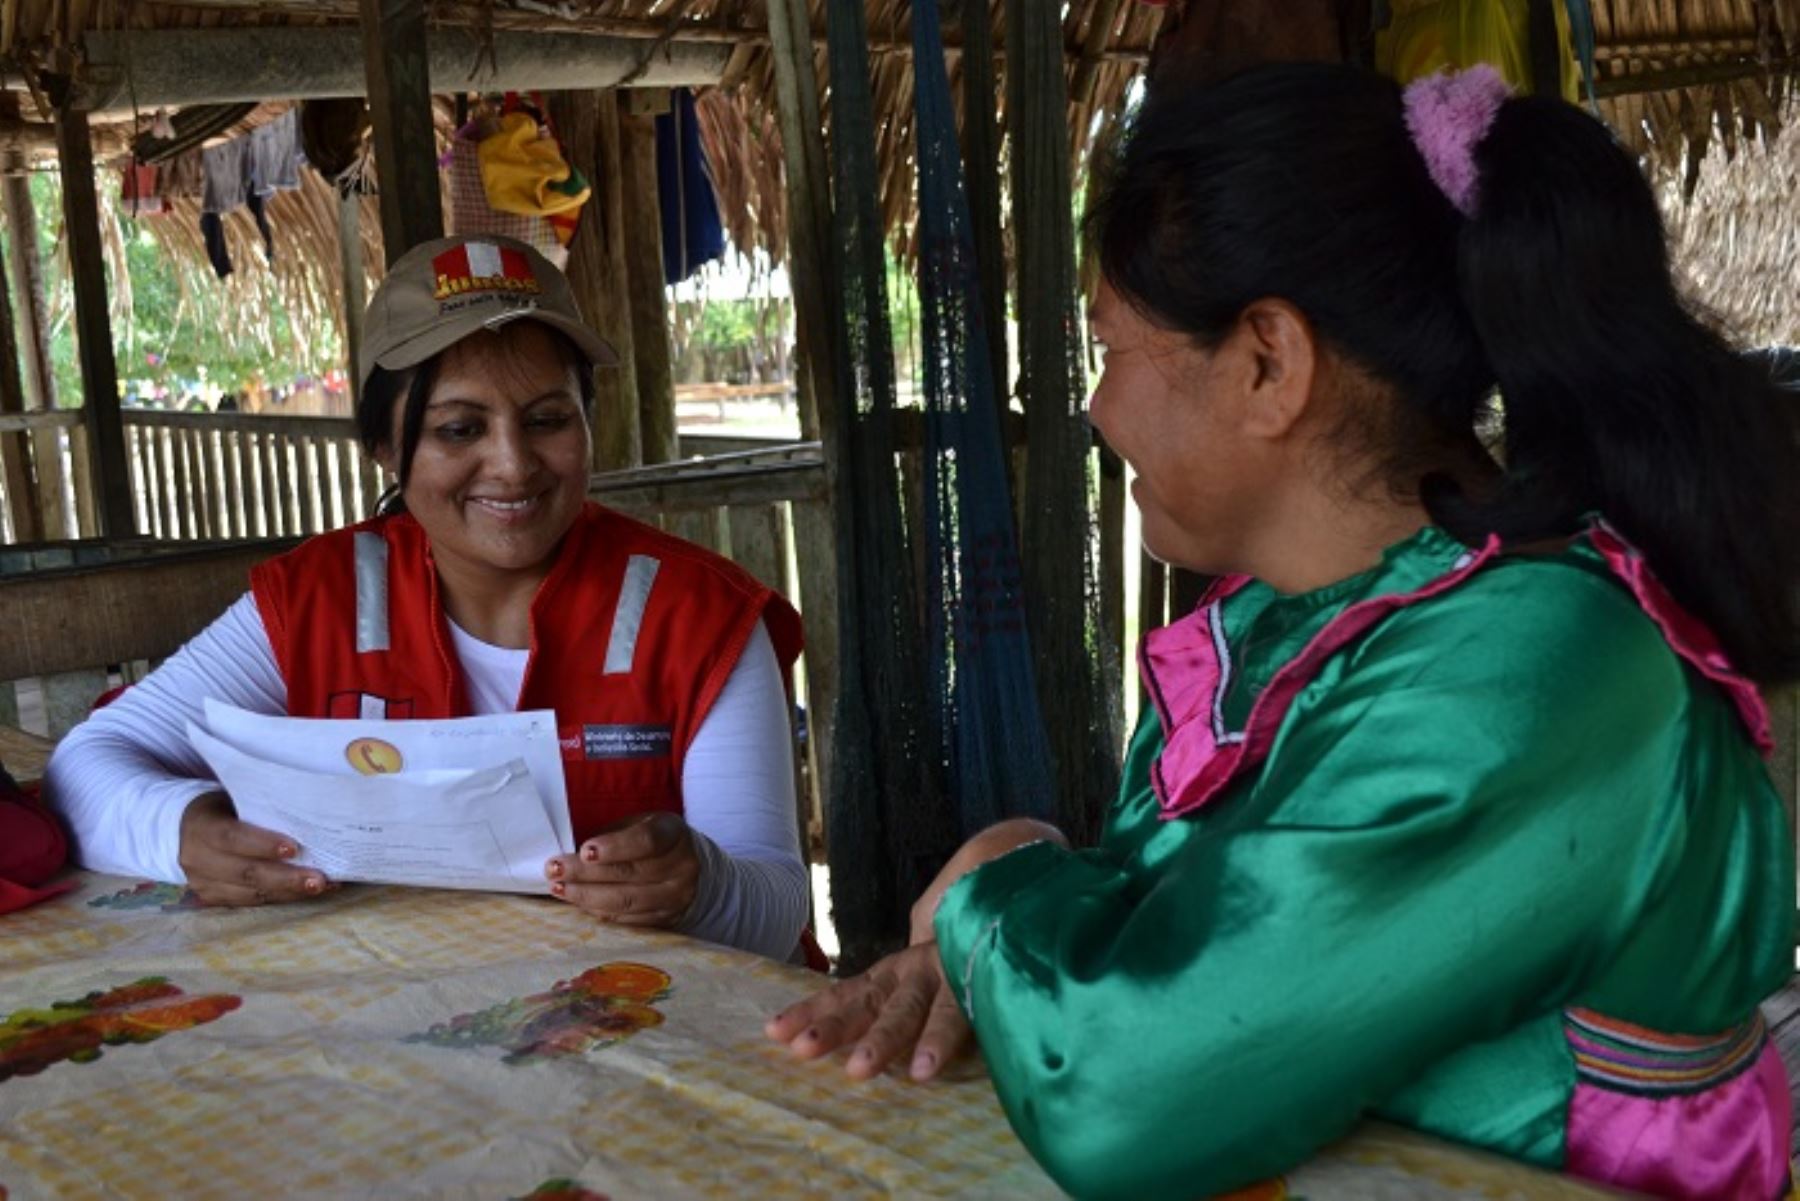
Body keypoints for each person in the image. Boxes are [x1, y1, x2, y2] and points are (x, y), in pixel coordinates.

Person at [768, 63, 1799, 1199]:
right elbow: (1191, 932)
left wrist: (994, 896)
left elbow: (1129, 1089)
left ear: (1269, 362)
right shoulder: (1276, 622)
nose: (1098, 408)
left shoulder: (1533, 667)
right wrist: (1023, 915)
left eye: (1109, 348)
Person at [48, 234, 812, 962]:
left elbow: (777, 906)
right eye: (458, 428)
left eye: (547, 420)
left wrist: (703, 886)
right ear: (385, 446)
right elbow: (87, 762)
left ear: (587, 423)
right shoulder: (318, 600)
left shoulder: (700, 616)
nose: (511, 465)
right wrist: (180, 830)